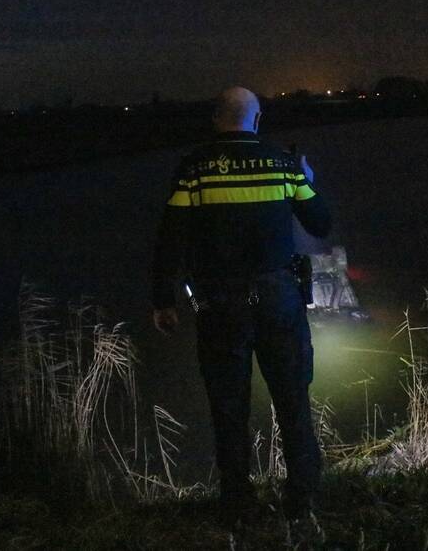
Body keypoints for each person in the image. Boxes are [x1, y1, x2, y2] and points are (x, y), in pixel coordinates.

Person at [150, 86, 331, 542]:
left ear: (216, 119)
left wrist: (163, 300)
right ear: (257, 119)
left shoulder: (195, 168)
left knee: (228, 407)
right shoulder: (284, 163)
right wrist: (308, 177)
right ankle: (303, 500)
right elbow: (320, 223)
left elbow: (170, 237)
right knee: (292, 400)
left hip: (219, 306)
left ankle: (236, 505)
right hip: (280, 301)